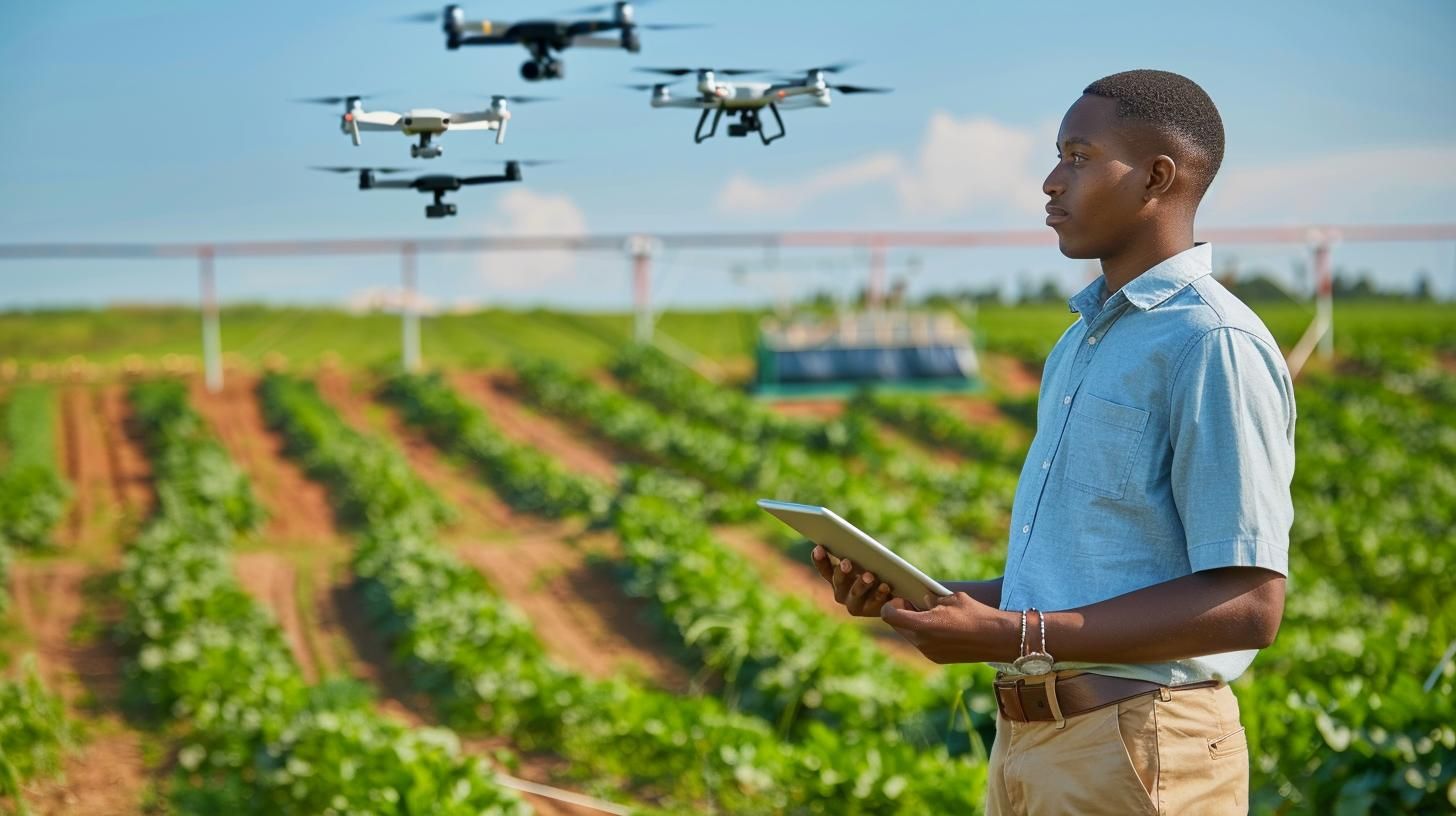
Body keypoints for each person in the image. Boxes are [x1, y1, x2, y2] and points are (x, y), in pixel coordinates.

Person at [812, 69, 1295, 815]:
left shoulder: (1212, 341)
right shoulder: (1081, 343)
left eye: (1078, 156)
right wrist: (926, 601)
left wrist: (1011, 633)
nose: (1049, 181)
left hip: (1141, 749)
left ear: (1155, 179)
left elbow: (1249, 602)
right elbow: (1081, 586)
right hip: (1034, 747)